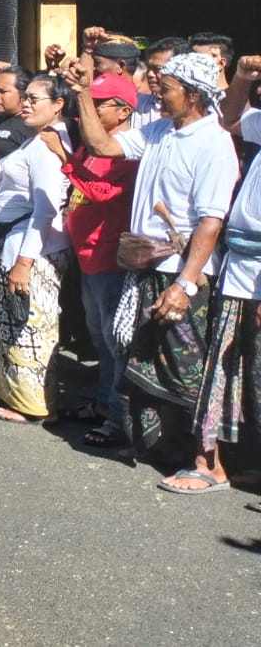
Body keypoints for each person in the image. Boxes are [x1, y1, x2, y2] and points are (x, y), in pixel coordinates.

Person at [67, 50, 238, 486]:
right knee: (144, 360)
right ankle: (166, 447)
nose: (158, 92)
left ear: (195, 95)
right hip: (144, 267)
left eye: (169, 87)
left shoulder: (214, 143)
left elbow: (210, 222)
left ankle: (209, 465)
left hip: (182, 273)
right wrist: (83, 92)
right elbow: (103, 145)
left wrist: (185, 284)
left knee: (188, 368)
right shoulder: (160, 130)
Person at [38, 71, 138, 445]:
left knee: (113, 341)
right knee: (99, 338)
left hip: (108, 258)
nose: (88, 112)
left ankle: (117, 418)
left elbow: (101, 192)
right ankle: (102, 403)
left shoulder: (126, 150)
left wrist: (64, 156)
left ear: (124, 110)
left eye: (98, 105)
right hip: (88, 256)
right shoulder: (91, 147)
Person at [0, 72, 73, 423]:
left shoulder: (48, 146)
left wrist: (24, 262)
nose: (26, 104)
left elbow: (46, 209)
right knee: (16, 323)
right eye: (25, 97)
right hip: (18, 241)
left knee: (32, 325)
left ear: (58, 105)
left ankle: (36, 404)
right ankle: (22, 399)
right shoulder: (34, 140)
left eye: (34, 98)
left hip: (35, 247)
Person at [186, 53, 261, 494]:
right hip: (241, 268)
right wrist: (243, 78)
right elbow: (228, 120)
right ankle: (237, 462)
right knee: (235, 370)